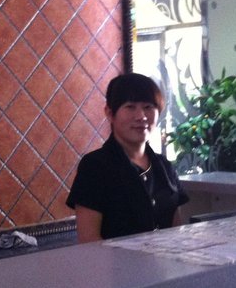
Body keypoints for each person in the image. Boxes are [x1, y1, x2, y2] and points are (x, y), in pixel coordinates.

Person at [66, 73, 189, 242]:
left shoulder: (164, 166)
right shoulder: (95, 166)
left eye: (148, 107)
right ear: (110, 113)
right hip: (115, 260)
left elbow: (177, 232)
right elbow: (89, 240)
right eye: (130, 107)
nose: (141, 116)